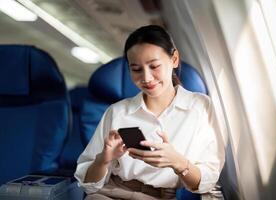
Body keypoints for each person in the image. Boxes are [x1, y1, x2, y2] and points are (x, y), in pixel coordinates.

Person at [74, 25, 225, 200]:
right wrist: (104, 159)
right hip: (110, 193)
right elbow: (88, 183)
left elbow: (207, 180)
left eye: (154, 66)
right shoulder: (117, 111)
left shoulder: (200, 106)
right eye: (136, 69)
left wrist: (178, 162)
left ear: (174, 59)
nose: (146, 78)